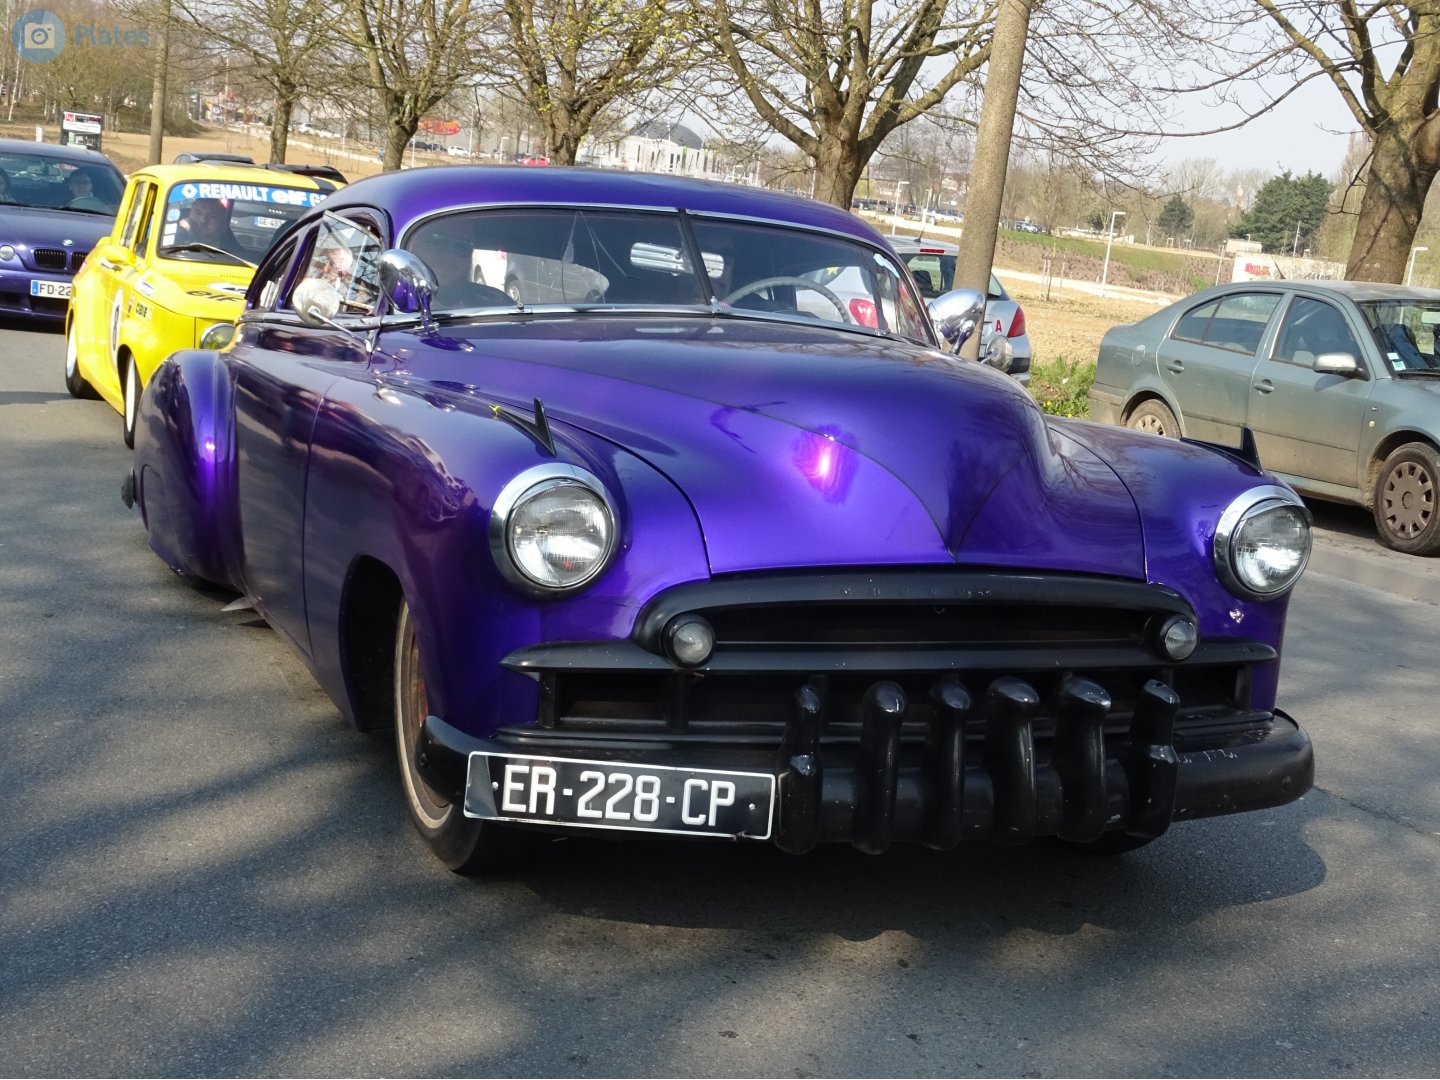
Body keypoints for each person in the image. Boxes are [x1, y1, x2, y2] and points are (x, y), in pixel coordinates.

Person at [409, 230, 511, 309]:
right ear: (414, 248)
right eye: (437, 243)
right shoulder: (400, 303)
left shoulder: (495, 302)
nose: (449, 256)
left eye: (462, 247)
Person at [174, 198, 245, 258]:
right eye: (198, 213)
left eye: (212, 216)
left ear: (223, 225)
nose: (203, 220)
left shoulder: (234, 257)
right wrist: (182, 231)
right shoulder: (173, 245)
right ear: (188, 216)